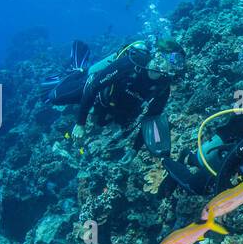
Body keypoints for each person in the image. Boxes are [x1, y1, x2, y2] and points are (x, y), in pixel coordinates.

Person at [42, 39, 184, 156]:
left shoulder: (163, 87)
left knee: (105, 123)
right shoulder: (131, 63)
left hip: (116, 108)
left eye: (180, 64)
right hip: (96, 94)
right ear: (160, 55)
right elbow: (93, 88)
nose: (176, 67)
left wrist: (134, 150)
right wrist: (80, 124)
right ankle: (78, 70)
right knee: (53, 97)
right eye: (175, 60)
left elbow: (150, 119)